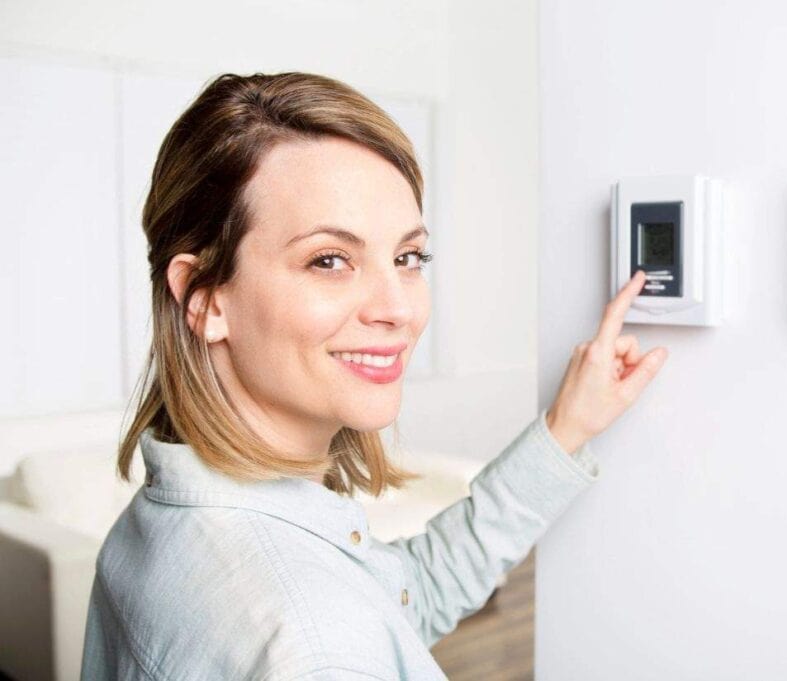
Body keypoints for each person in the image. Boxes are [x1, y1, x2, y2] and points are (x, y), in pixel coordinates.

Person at [79, 71, 668, 680]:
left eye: (407, 257)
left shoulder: (161, 523)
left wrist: (564, 430)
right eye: (329, 260)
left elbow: (403, 598)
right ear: (204, 298)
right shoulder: (315, 641)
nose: (399, 308)